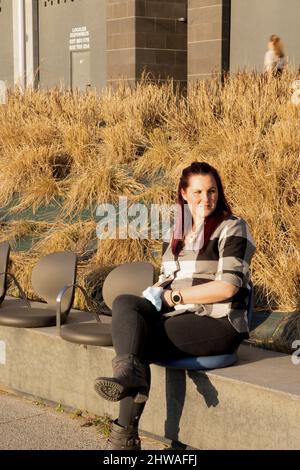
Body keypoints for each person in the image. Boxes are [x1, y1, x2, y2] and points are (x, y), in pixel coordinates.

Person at [94, 161, 256, 450]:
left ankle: (122, 439)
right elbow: (169, 277)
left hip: (217, 321)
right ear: (183, 193)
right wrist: (157, 293)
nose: (206, 199)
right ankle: (128, 379)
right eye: (197, 192)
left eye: (212, 191)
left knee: (137, 344)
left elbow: (228, 286)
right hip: (176, 314)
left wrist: (174, 298)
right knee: (125, 303)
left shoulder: (232, 227)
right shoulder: (178, 230)